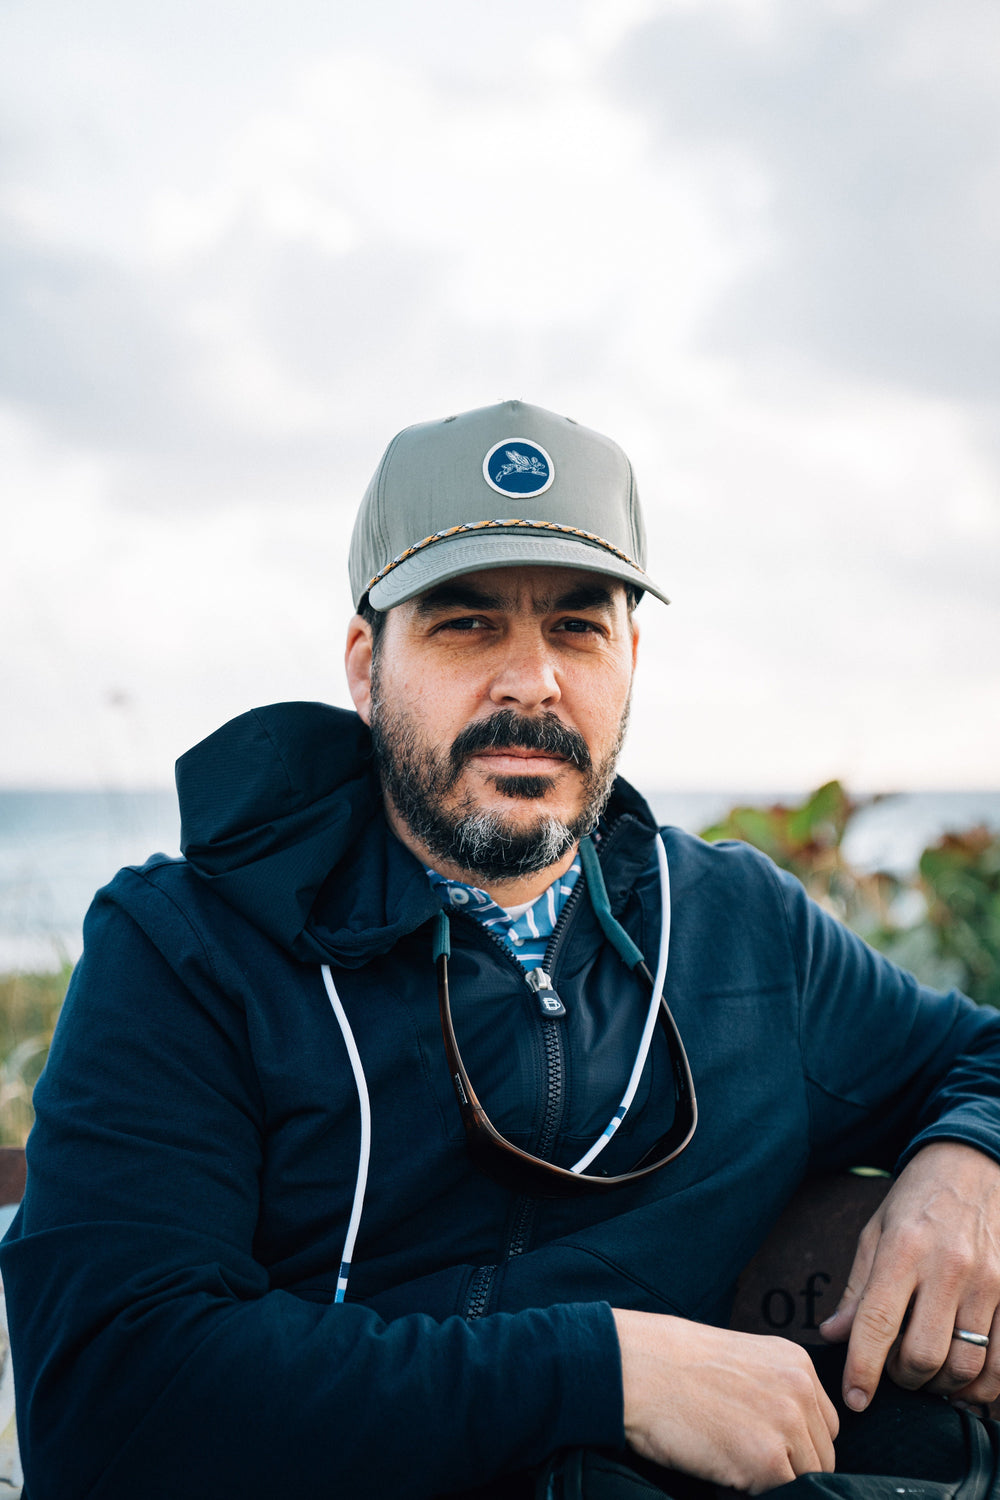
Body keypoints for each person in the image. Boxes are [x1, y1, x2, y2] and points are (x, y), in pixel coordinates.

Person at [3, 399, 1000, 1500]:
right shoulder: (187, 949)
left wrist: (967, 1165)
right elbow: (107, 1406)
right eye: (467, 624)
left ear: (630, 658)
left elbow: (981, 1053)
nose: (532, 682)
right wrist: (605, 1372)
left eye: (577, 627)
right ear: (366, 666)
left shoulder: (740, 927)